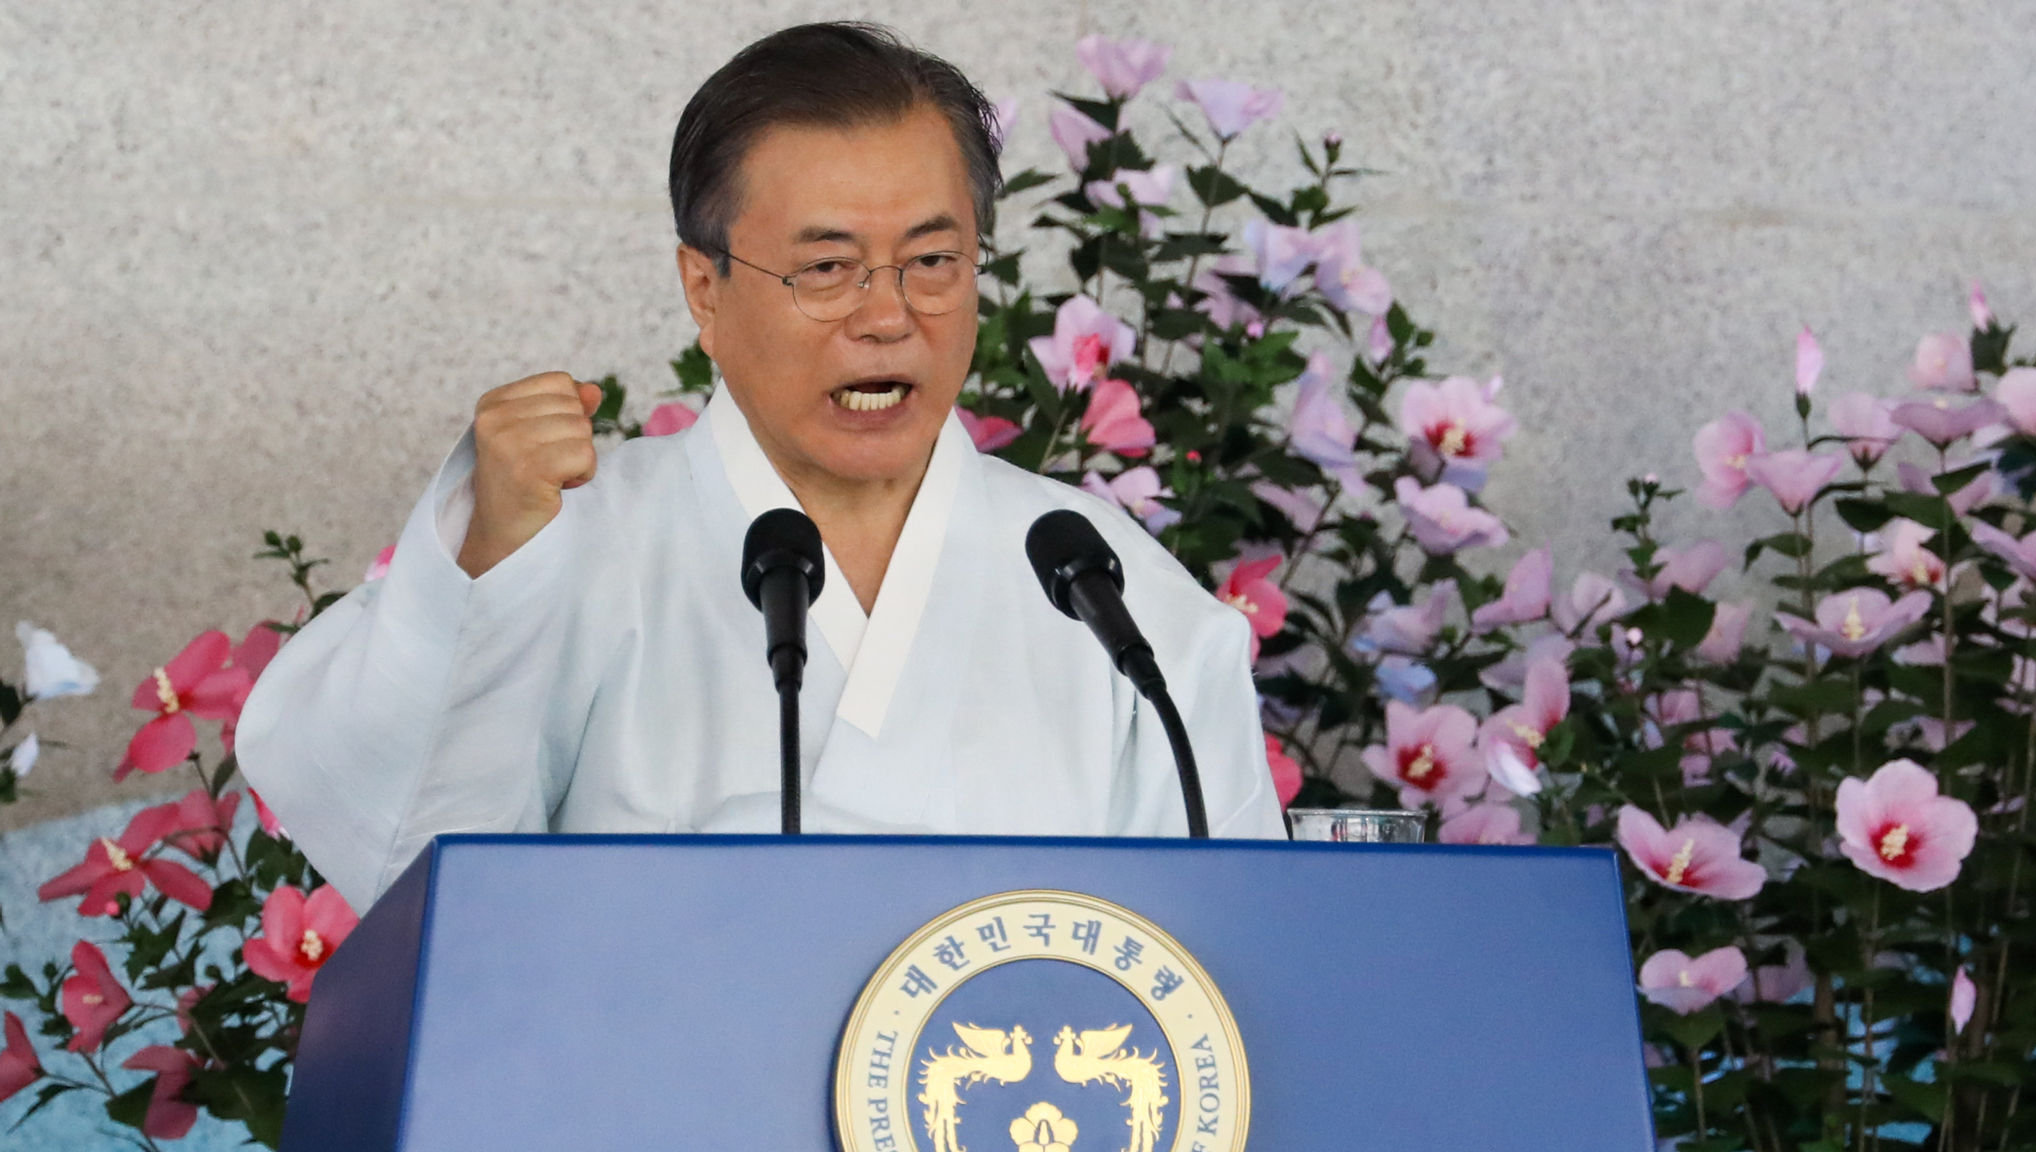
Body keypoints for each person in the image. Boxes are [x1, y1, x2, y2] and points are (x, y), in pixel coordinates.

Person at [238, 22, 1284, 913]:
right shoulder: (577, 547)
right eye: (826, 268)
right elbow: (413, 857)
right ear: (705, 289)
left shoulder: (1099, 581)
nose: (888, 317)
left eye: (932, 262)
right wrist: (485, 569)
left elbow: (1228, 943)